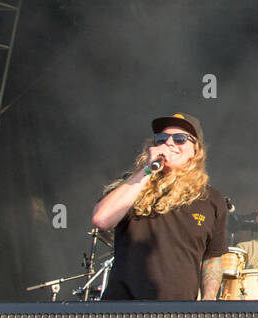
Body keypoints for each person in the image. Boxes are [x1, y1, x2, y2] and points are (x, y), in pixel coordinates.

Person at [94, 113, 228, 301]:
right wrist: (147, 170)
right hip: (123, 308)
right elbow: (101, 219)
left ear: (195, 152)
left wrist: (208, 303)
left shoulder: (211, 199)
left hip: (177, 312)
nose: (170, 144)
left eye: (180, 139)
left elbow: (212, 258)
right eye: (162, 139)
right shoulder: (132, 184)